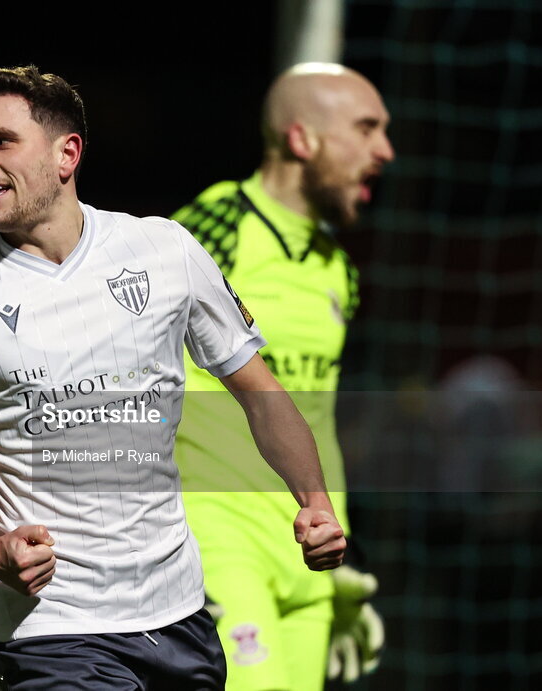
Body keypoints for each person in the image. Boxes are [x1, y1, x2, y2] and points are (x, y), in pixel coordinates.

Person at [0, 65, 346, 691]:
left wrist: (314, 502)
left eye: (1, 141)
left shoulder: (166, 251)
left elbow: (260, 392)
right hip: (52, 628)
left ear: (67, 153)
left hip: (179, 613)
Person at [172, 63, 395, 690]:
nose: (386, 150)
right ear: (303, 139)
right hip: (216, 534)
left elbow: (315, 415)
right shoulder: (212, 227)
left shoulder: (339, 272)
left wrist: (341, 557)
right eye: (367, 128)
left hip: (312, 547)